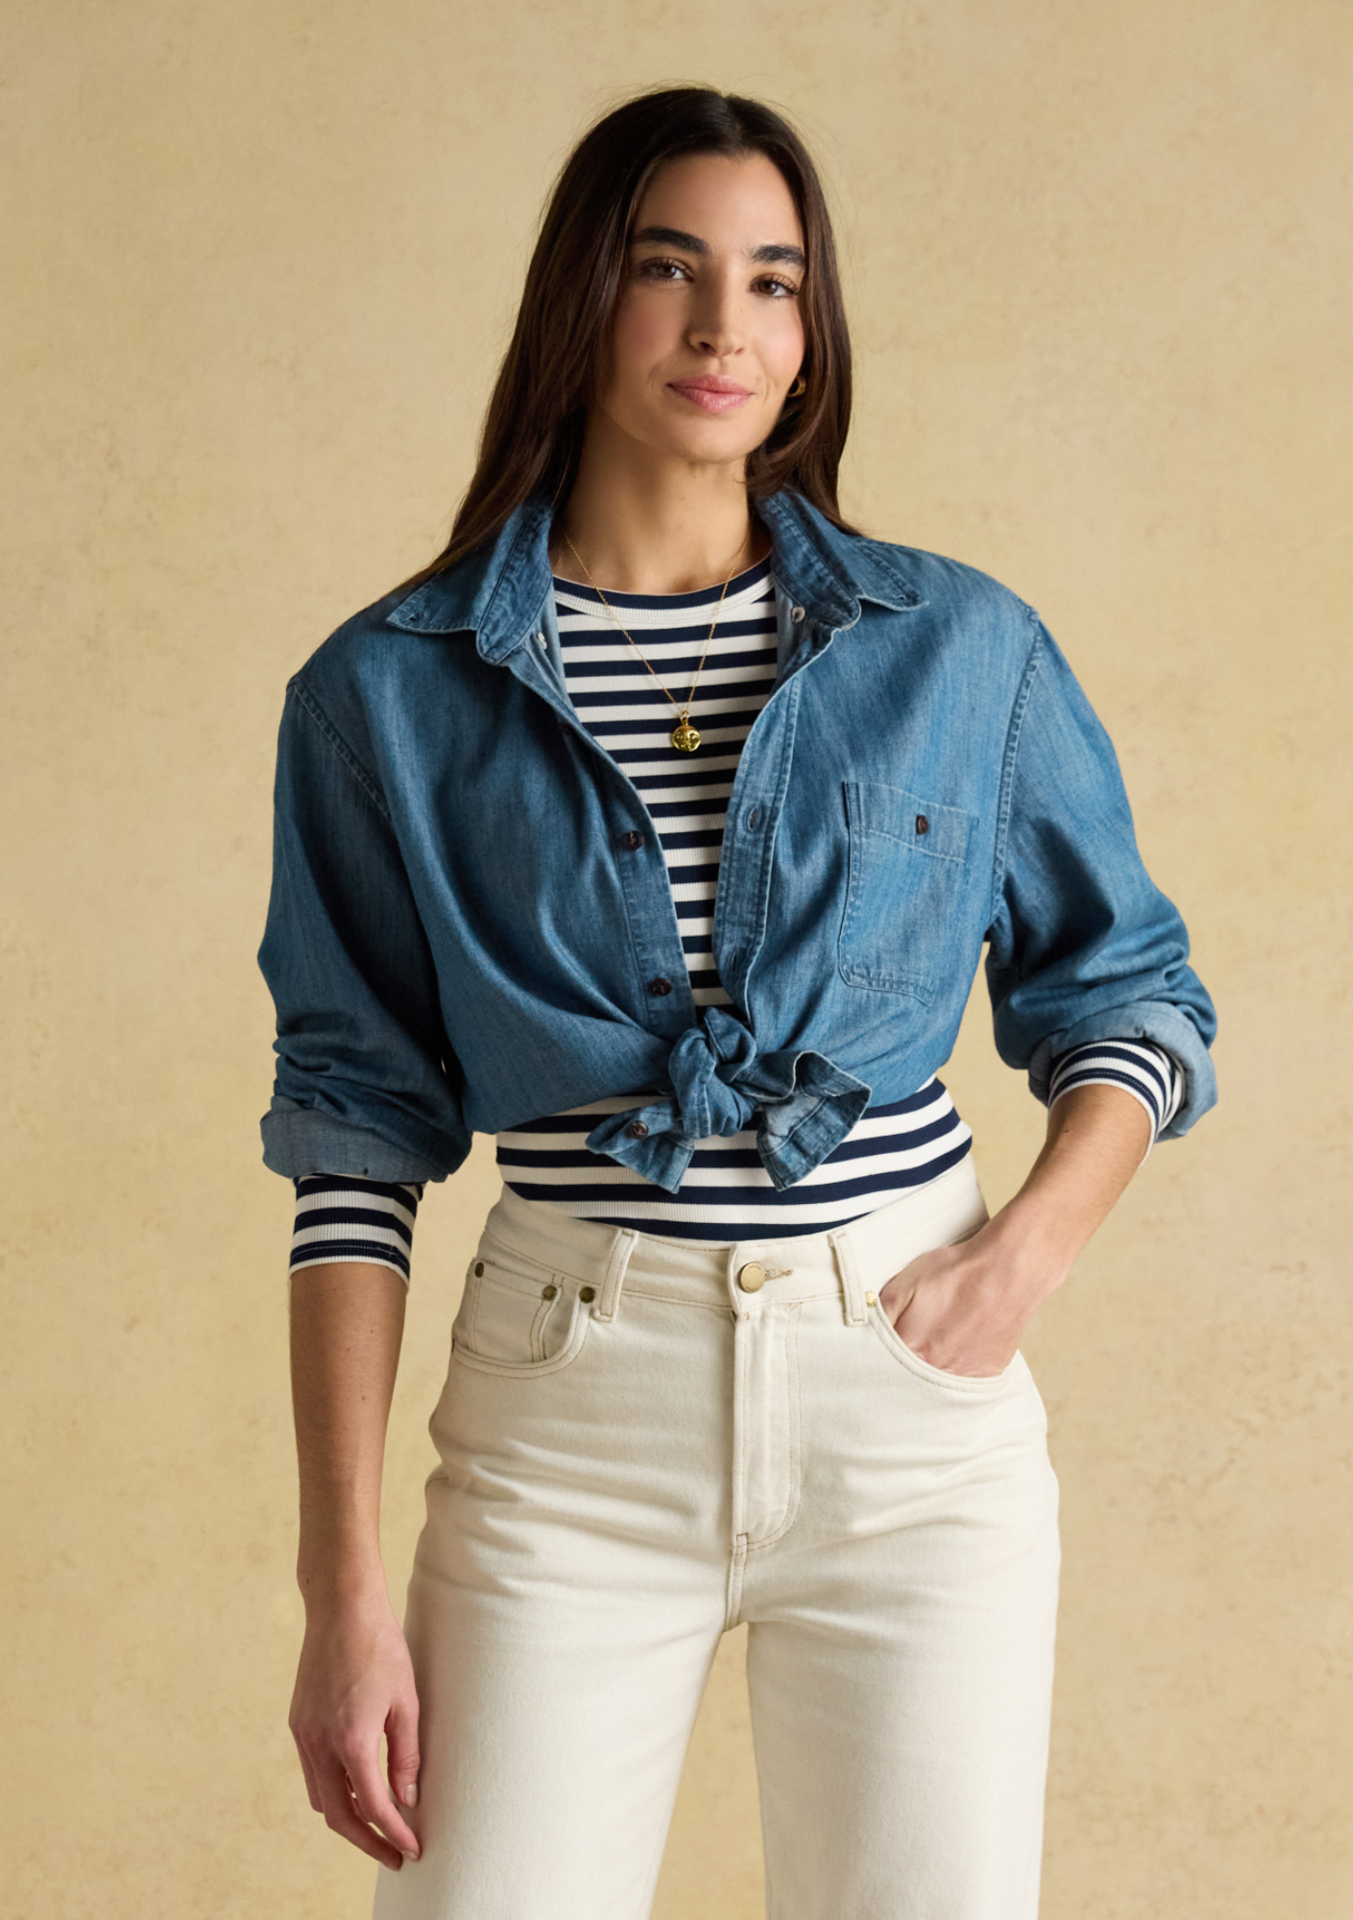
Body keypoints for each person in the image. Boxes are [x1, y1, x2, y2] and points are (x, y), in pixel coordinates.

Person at [256, 85, 1216, 1920]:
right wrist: (341, 1593)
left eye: (774, 282)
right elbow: (353, 1147)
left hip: (910, 1416)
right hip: (569, 1421)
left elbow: (1132, 997)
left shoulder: (958, 648)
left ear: (812, 327)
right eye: (668, 269)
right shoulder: (383, 694)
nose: (725, 328)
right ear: (581, 297)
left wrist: (1021, 1260)